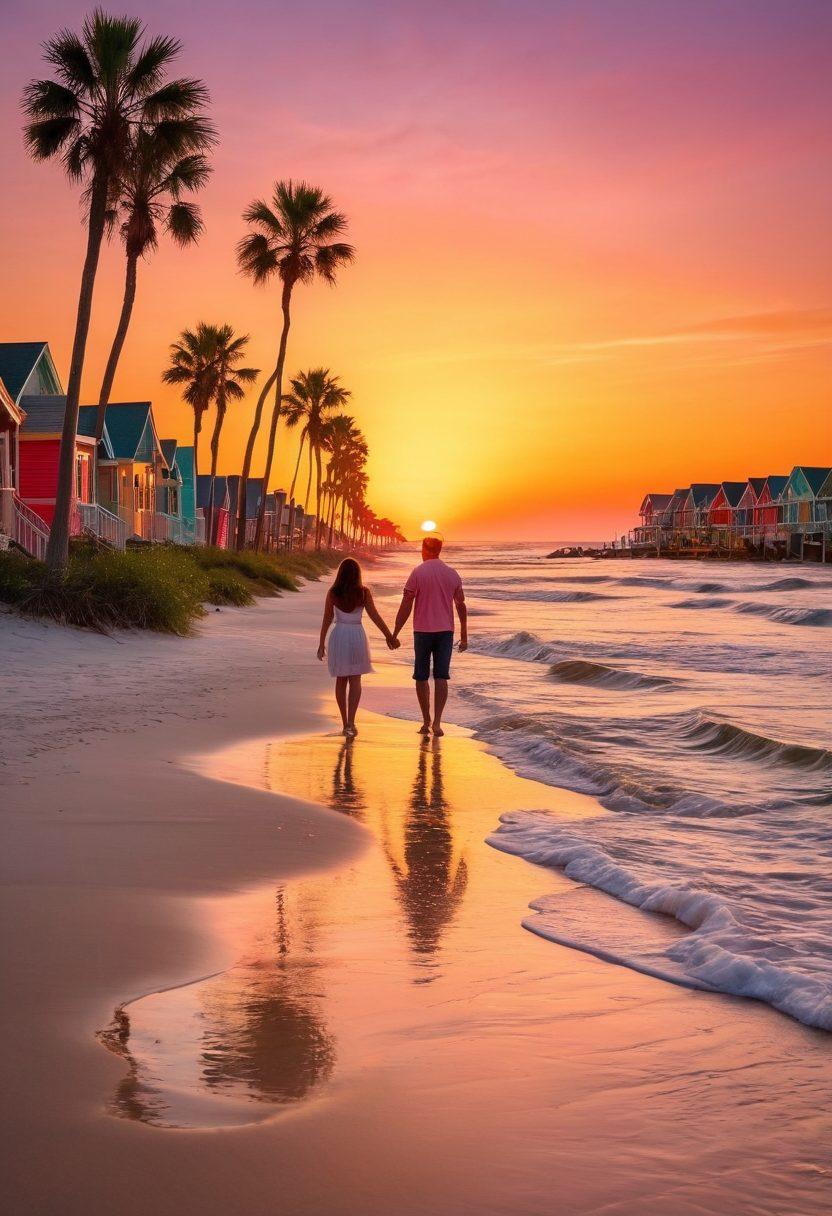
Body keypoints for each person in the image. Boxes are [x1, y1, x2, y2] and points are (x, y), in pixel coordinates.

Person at [392, 535, 467, 737]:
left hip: (423, 631)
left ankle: (426, 720)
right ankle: (437, 723)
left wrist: (395, 632)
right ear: (439, 550)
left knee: (421, 676)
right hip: (445, 632)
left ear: (425, 550)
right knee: (442, 676)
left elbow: (406, 604)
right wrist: (464, 634)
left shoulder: (417, 572)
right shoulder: (452, 574)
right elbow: (461, 605)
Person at [317, 558, 399, 736]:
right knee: (355, 680)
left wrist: (321, 643)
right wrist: (389, 636)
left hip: (339, 635)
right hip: (356, 636)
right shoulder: (363, 593)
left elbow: (327, 618)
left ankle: (345, 721)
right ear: (357, 575)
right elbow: (375, 616)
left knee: (341, 680)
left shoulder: (333, 592)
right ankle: (351, 723)